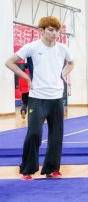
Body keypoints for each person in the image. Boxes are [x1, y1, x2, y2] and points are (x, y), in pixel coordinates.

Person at [5, 16, 74, 180]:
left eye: (57, 30)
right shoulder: (31, 47)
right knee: (34, 133)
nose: (55, 33)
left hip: (57, 97)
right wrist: (27, 78)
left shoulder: (63, 49)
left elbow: (71, 63)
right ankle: (27, 170)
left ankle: (52, 169)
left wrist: (63, 74)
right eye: (51, 30)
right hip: (37, 97)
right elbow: (10, 62)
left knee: (56, 135)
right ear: (41, 31)